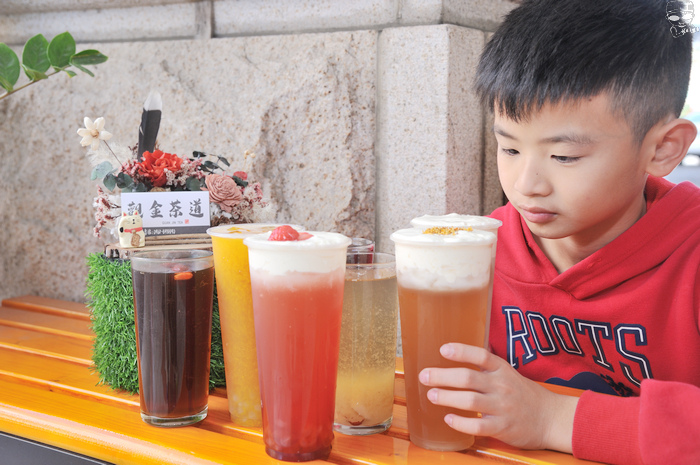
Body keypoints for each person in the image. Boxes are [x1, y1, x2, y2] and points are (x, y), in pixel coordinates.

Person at [418, 1, 700, 464]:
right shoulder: (483, 252)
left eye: (564, 157)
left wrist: (551, 419)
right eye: (508, 147)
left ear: (663, 148)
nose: (526, 185)